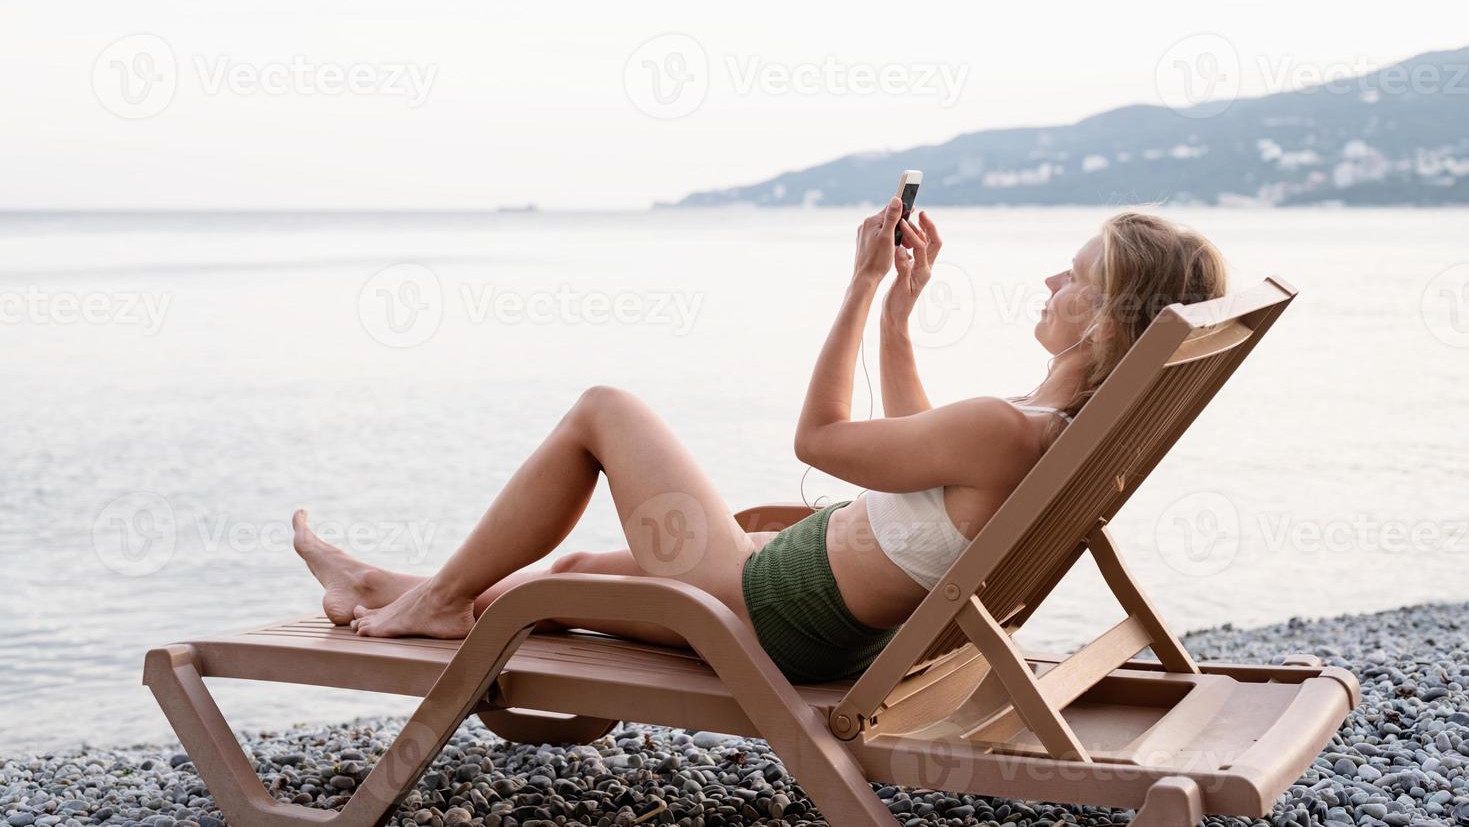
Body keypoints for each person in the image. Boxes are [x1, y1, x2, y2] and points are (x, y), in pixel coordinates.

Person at [292, 197, 1229, 683]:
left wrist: (858, 286)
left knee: (604, 407)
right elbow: (919, 447)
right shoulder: (1038, 430)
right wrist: (902, 319)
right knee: (559, 574)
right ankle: (391, 588)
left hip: (757, 607)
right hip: (805, 606)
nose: (1045, 282)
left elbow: (820, 439)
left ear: (1106, 319)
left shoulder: (1006, 431)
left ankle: (434, 599)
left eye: (1068, 278)